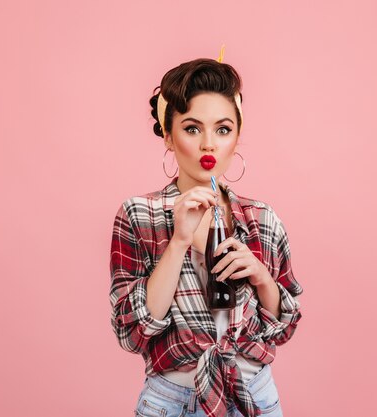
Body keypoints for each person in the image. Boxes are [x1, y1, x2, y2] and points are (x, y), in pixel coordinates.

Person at [109, 51, 303, 417]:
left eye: (223, 129)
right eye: (192, 128)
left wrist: (262, 277)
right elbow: (133, 333)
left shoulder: (262, 219)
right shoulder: (139, 214)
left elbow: (284, 327)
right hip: (173, 402)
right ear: (168, 135)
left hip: (255, 398)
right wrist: (178, 241)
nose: (208, 144)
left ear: (237, 137)